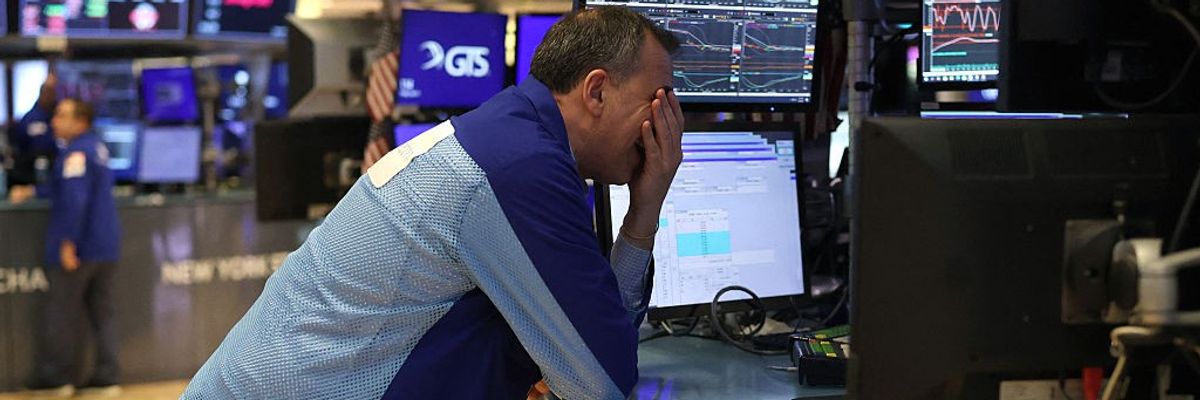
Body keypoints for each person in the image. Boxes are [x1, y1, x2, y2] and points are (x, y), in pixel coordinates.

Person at [183, 7, 682, 399]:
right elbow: (602, 377)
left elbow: (590, 351)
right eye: (659, 101)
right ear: (596, 90)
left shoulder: (510, 138)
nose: (668, 125)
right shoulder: (520, 166)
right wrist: (646, 207)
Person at [22, 98, 123, 397]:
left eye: (62, 115)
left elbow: (74, 201)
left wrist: (67, 243)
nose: (54, 121)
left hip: (81, 248)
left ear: (81, 122)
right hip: (105, 247)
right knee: (103, 314)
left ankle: (56, 379)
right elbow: (65, 188)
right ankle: (107, 379)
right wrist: (33, 190)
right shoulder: (97, 148)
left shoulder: (77, 153)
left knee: (61, 312)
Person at [7, 73, 59, 204]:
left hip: (55, 172)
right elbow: (19, 146)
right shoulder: (29, 119)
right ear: (41, 93)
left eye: (53, 92)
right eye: (48, 92)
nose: (51, 96)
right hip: (31, 173)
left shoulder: (58, 116)